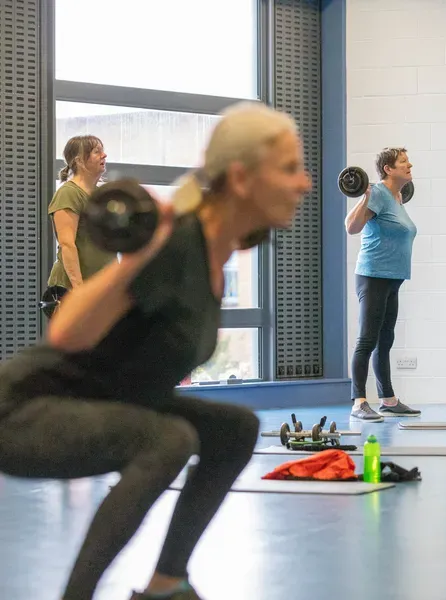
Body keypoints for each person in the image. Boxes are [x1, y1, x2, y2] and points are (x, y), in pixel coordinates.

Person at [0, 101, 311, 600]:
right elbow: (66, 334)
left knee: (234, 429)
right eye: (291, 168)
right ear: (241, 177)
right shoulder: (175, 247)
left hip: (101, 403)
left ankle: (166, 582)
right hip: (24, 412)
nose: (305, 183)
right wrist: (139, 257)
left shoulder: (217, 246)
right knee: (167, 437)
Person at [344, 147, 421, 422]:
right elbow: (351, 227)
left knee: (385, 339)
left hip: (392, 277)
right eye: (403, 162)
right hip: (373, 275)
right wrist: (365, 196)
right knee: (367, 338)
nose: (409, 164)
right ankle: (359, 402)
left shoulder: (398, 196)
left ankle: (387, 399)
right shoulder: (377, 193)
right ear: (389, 169)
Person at [48, 135, 116, 292]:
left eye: (103, 151)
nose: (104, 155)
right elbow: (67, 244)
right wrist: (78, 289)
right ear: (79, 161)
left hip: (101, 285)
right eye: (96, 152)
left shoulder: (101, 195)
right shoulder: (68, 193)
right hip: (73, 288)